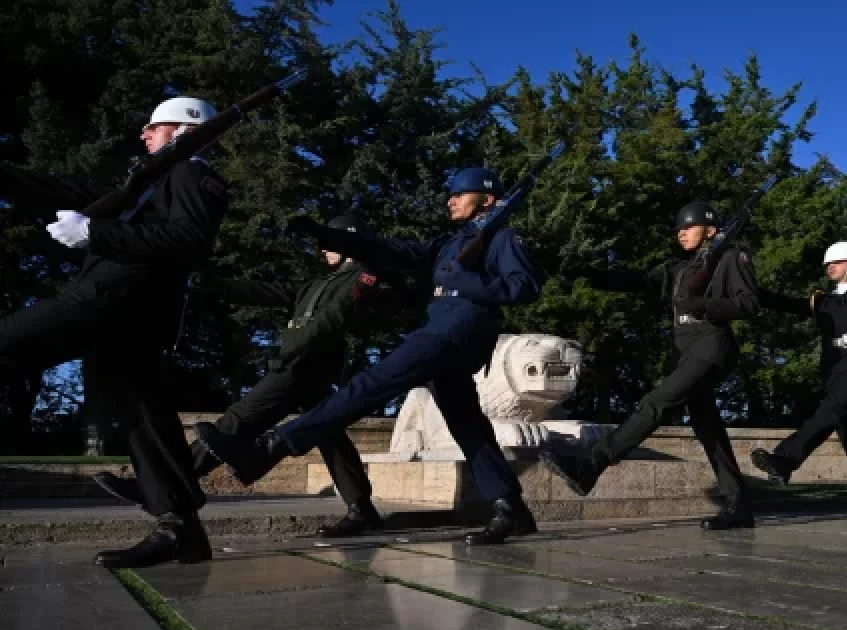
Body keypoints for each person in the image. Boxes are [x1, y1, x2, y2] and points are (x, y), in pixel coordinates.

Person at [193, 167, 545, 544]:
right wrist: (325, 234)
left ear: (487, 200)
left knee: (373, 382)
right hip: (439, 331)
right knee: (467, 425)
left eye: (460, 194)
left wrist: (463, 280)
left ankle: (272, 447)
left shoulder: (502, 237)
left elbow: (524, 286)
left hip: (457, 332)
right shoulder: (448, 243)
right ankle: (511, 508)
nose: (450, 200)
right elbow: (387, 249)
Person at [0, 96, 229, 567]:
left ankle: (179, 527)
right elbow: (66, 190)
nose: (143, 134)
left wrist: (95, 234)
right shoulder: (150, 181)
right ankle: (181, 530)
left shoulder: (190, 172)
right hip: (122, 311)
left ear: (186, 131)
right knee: (144, 416)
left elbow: (190, 240)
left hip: (112, 302)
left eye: (154, 127)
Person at [92, 214, 386, 536]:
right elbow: (272, 292)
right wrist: (217, 287)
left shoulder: (364, 276)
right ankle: (362, 509)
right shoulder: (319, 283)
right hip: (301, 366)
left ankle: (162, 486)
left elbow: (333, 319)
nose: (322, 250)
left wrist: (288, 346)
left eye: (329, 243)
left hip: (303, 367)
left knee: (235, 422)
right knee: (328, 434)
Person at [546, 201, 760, 530]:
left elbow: (748, 303)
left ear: (711, 230)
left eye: (688, 227)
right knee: (707, 426)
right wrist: (585, 273)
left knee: (657, 402)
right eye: (678, 229)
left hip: (712, 346)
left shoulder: (731, 257)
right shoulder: (678, 268)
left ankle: (592, 464)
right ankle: (738, 505)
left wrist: (702, 305)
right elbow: (637, 281)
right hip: (686, 352)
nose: (681, 233)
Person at [750, 241, 847, 522]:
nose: (830, 268)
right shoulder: (824, 301)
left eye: (837, 262)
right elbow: (785, 303)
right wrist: (748, 289)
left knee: (831, 410)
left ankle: (785, 459)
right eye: (828, 264)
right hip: (835, 370)